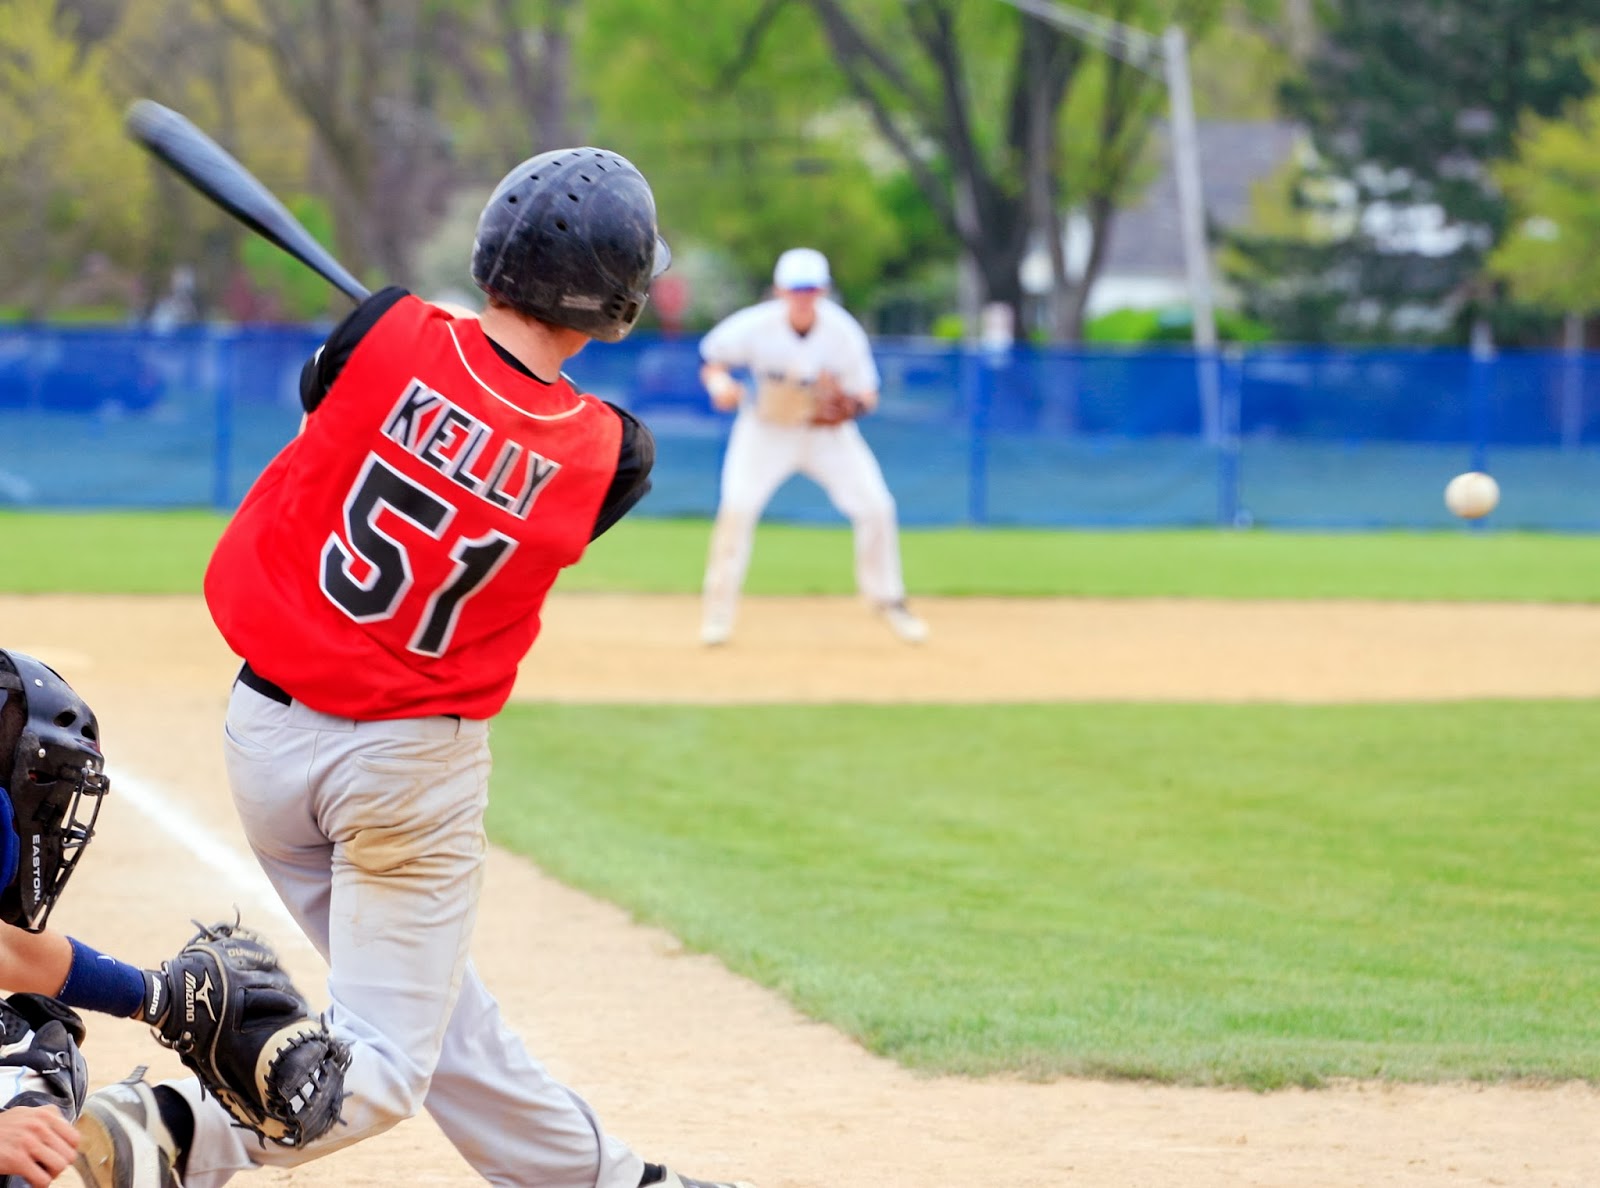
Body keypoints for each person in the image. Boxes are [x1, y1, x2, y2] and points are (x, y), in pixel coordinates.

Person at [74, 148, 755, 1188]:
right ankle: (167, 1129)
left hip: (264, 740)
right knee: (384, 1066)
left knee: (438, 1011)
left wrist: (404, 344)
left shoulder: (383, 334)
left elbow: (335, 396)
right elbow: (526, 461)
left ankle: (607, 1182)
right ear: (611, 302)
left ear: (490, 257)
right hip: (406, 777)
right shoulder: (612, 452)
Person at [697, 246, 928, 647]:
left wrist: (850, 406)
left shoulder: (842, 332)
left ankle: (887, 599)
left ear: (823, 291)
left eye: (810, 289)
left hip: (825, 436)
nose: (803, 297)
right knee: (737, 511)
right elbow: (712, 360)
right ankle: (718, 613)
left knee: (876, 507)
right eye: (795, 289)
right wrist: (721, 385)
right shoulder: (753, 326)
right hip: (764, 432)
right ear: (779, 291)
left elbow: (868, 393)